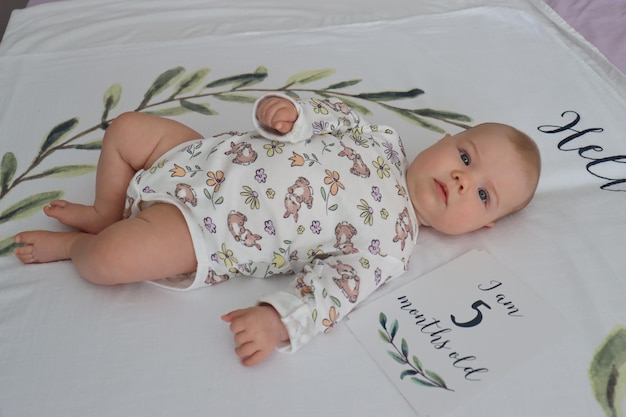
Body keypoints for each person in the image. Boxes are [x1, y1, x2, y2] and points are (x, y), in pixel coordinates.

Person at [13, 93, 541, 366]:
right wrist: (294, 114)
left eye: (482, 193)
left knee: (111, 261)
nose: (460, 178)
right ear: (446, 138)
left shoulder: (390, 244)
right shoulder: (382, 139)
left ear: (484, 225)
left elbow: (335, 293)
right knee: (127, 128)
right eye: (466, 156)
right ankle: (108, 208)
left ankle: (83, 244)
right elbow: (333, 116)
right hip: (201, 155)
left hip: (205, 230)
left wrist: (278, 321)